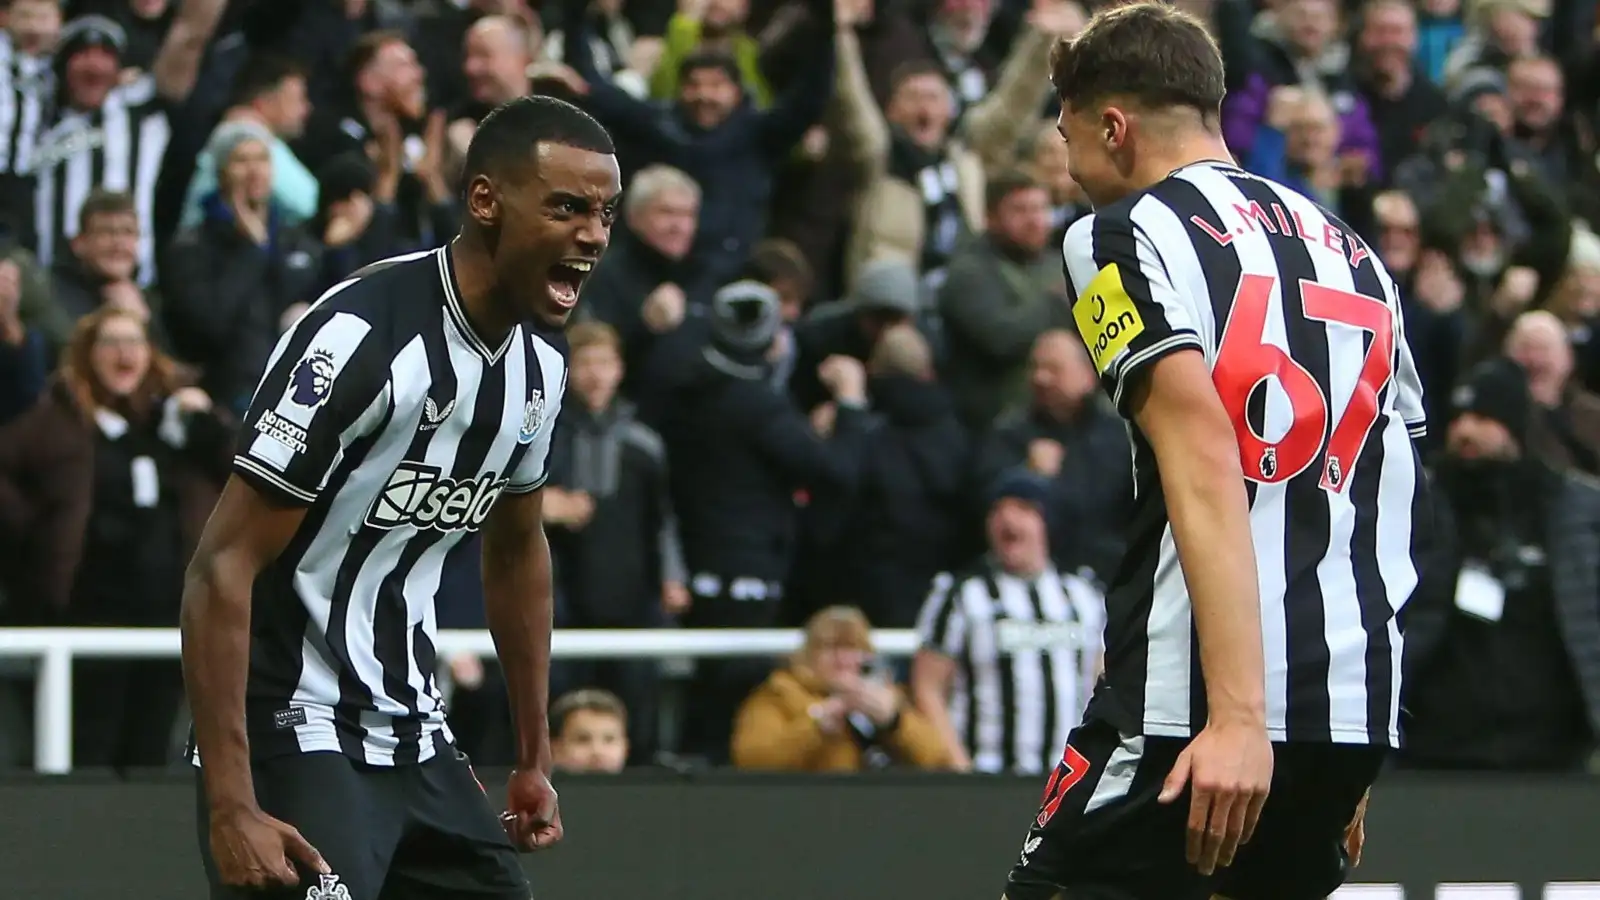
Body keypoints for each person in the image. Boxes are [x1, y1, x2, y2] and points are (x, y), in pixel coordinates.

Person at [1001, 4, 1430, 900]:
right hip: (1346, 707)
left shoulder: (1119, 234)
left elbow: (1202, 456)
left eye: (1068, 134)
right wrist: (1338, 740)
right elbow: (1395, 488)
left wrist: (1243, 717)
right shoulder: (1359, 257)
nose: (1070, 167)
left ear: (1111, 126)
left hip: (1197, 704)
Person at [179, 95, 622, 899]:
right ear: (485, 199)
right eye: (567, 207)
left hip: (416, 733)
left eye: (604, 212)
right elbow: (221, 566)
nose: (593, 234)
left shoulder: (541, 374)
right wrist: (230, 802)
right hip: (295, 726)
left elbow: (518, 550)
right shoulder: (357, 337)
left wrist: (533, 756)